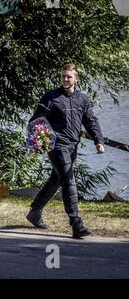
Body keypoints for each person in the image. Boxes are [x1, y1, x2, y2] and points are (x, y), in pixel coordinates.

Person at [26, 63, 105, 238]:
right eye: (63, 76)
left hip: (72, 145)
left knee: (56, 180)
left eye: (69, 76)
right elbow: (36, 121)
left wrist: (98, 140)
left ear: (76, 78)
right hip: (57, 146)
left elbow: (91, 121)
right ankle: (76, 222)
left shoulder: (82, 99)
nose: (65, 79)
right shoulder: (51, 97)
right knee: (69, 180)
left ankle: (35, 211)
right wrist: (41, 140)